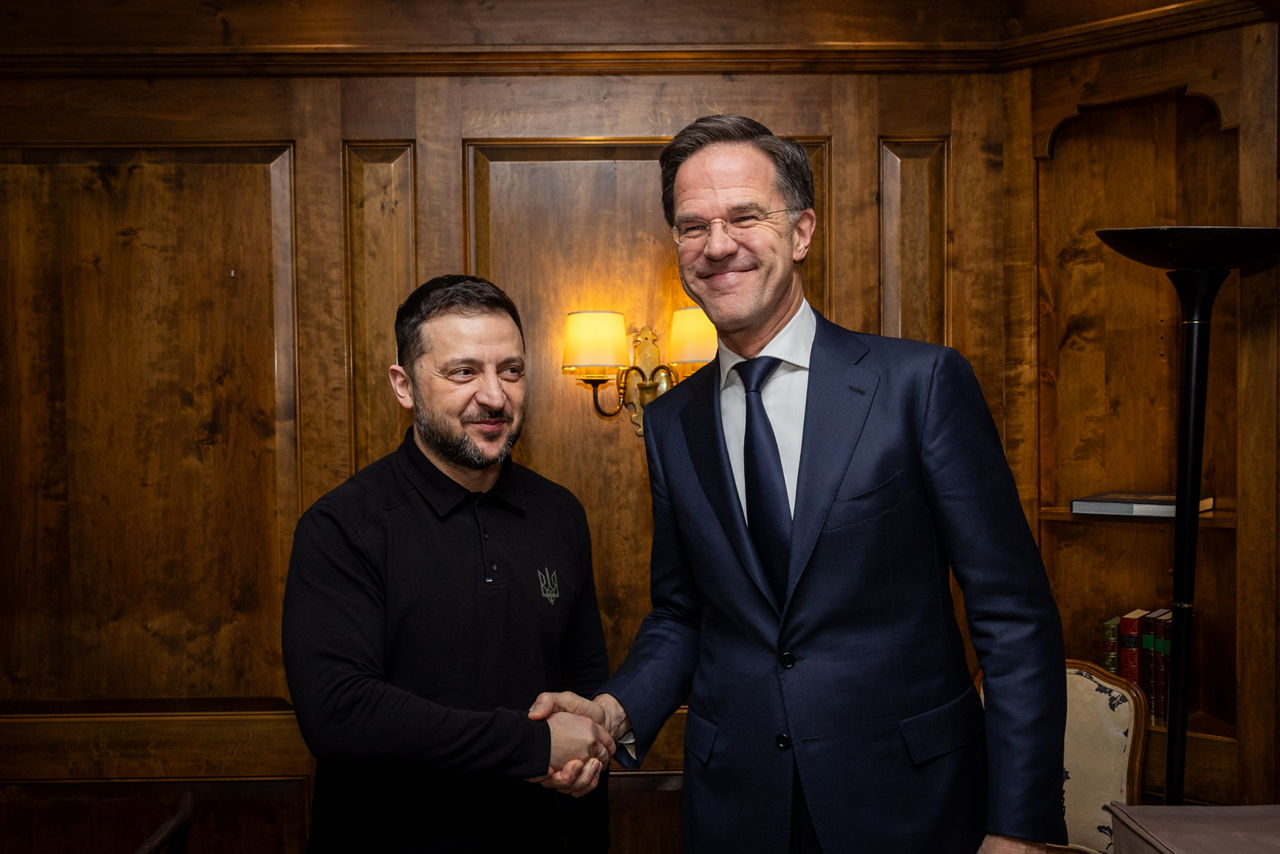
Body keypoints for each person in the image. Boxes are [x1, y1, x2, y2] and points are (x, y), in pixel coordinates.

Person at [531, 116, 1067, 852]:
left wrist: (1021, 827)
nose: (718, 245)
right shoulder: (669, 421)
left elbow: (1014, 618)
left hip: (912, 803)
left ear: (803, 231)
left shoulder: (920, 384)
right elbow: (685, 615)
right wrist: (613, 711)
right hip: (737, 810)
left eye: (745, 216)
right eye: (693, 227)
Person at [283, 274, 615, 853]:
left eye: (510, 370)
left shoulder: (560, 514)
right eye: (463, 372)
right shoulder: (343, 527)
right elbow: (340, 713)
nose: (494, 396)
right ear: (404, 385)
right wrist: (531, 745)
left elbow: (584, 686)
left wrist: (590, 751)